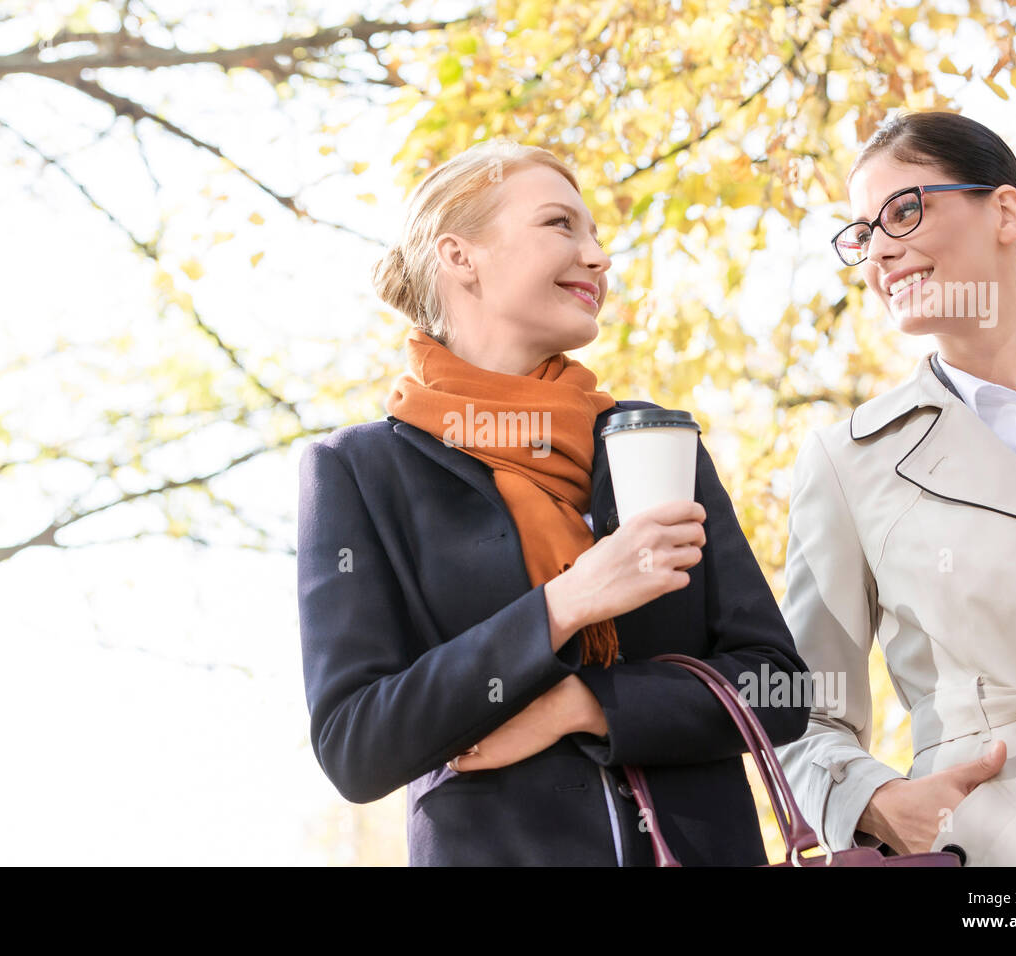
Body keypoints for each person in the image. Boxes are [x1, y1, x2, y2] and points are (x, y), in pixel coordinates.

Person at [297, 138, 810, 865]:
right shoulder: (359, 471)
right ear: (460, 255)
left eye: (596, 233)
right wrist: (566, 603)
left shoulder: (653, 439)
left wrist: (589, 705)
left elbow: (780, 688)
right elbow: (356, 744)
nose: (599, 256)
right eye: (561, 225)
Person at [776, 110, 1016, 866]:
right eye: (862, 233)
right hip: (993, 860)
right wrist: (876, 803)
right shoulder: (848, 463)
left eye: (904, 210)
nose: (880, 249)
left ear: (1005, 210)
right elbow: (797, 712)